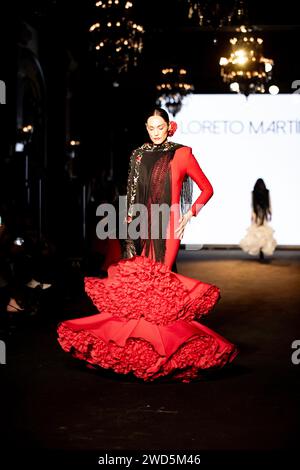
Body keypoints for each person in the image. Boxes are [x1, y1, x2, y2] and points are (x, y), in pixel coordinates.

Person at [57, 107, 238, 382]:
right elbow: (131, 195)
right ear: (146, 127)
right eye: (151, 127)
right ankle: (137, 352)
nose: (155, 132)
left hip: (169, 223)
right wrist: (129, 229)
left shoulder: (183, 153)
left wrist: (190, 214)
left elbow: (207, 188)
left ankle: (165, 355)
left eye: (160, 127)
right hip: (141, 222)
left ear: (169, 126)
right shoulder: (138, 154)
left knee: (160, 286)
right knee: (139, 290)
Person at [240, 178, 277, 261]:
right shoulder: (266, 192)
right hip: (262, 214)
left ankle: (261, 252)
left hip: (258, 214)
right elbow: (268, 203)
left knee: (258, 233)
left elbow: (252, 205)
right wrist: (270, 213)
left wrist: (253, 215)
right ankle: (261, 252)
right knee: (263, 233)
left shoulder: (254, 193)